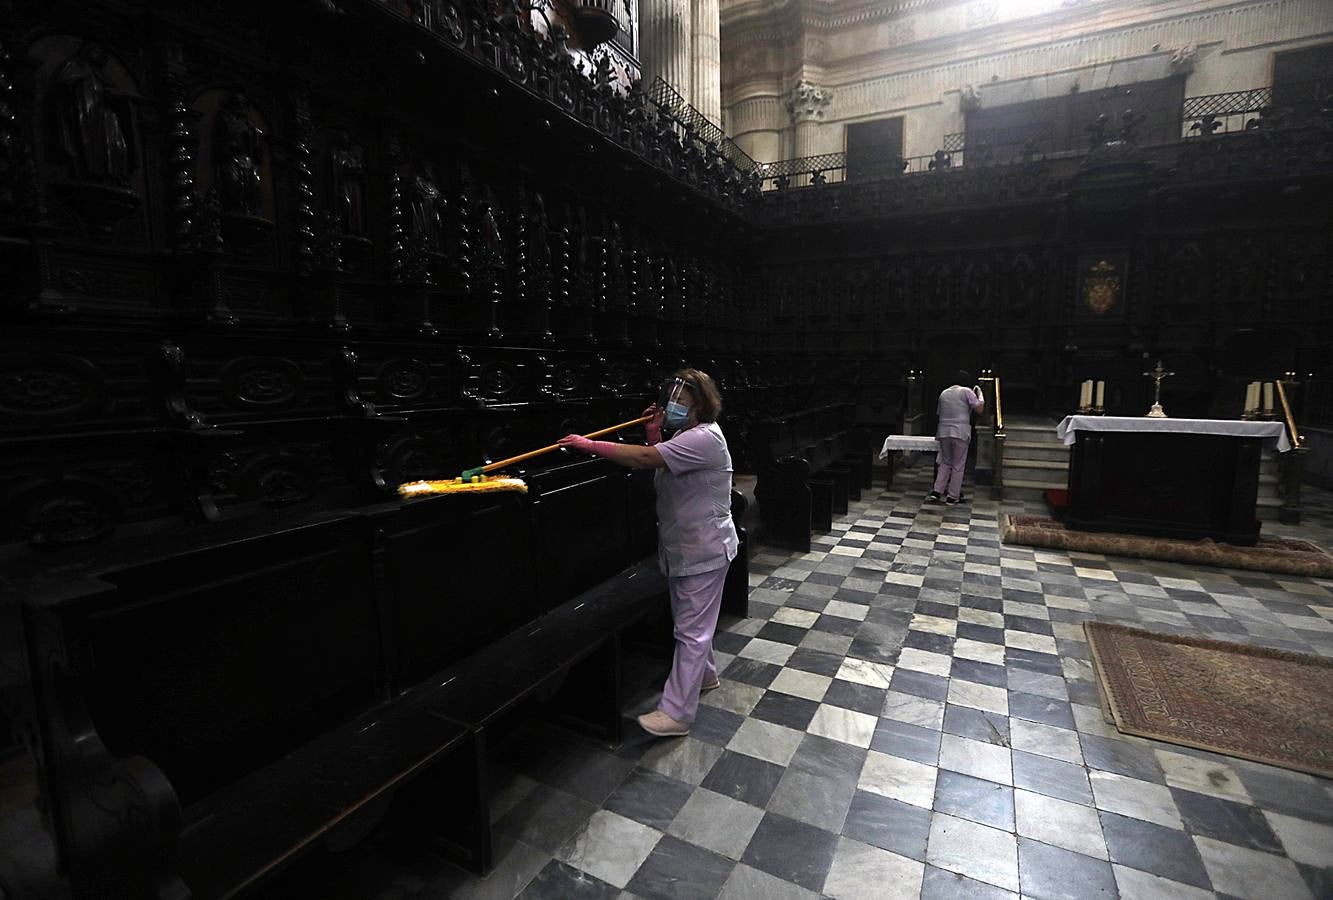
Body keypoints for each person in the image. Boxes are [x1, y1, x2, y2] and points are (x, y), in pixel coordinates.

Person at [557, 369, 738, 737]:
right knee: (692, 624)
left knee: (691, 631)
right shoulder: (688, 436)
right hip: (686, 545)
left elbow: (644, 459)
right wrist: (656, 432)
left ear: (700, 405)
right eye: (669, 397)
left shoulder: (704, 438)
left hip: (703, 547)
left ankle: (676, 714)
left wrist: (588, 444)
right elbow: (664, 466)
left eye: (680, 400)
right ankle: (705, 676)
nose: (671, 405)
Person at [930, 370, 985, 505]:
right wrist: (980, 396)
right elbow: (979, 409)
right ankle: (953, 496)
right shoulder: (966, 391)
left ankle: (937, 491)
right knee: (958, 465)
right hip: (960, 432)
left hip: (943, 432)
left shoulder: (944, 393)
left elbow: (939, 413)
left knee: (945, 462)